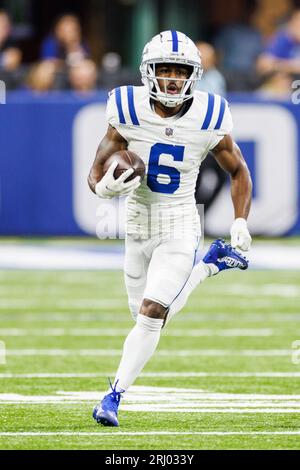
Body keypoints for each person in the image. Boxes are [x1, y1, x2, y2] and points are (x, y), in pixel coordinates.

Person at [88, 31, 252, 427]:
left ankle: (112, 398)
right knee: (144, 316)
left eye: (181, 71)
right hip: (137, 222)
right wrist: (106, 187)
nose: (173, 79)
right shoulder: (127, 108)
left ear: (194, 75)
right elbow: (94, 174)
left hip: (180, 221)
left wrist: (240, 220)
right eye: (165, 70)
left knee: (152, 311)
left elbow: (238, 170)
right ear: (149, 73)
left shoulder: (209, 115)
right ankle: (210, 265)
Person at [257, 8, 300, 76]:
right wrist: (289, 66)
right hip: (287, 81)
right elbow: (263, 64)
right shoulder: (284, 38)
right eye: (296, 24)